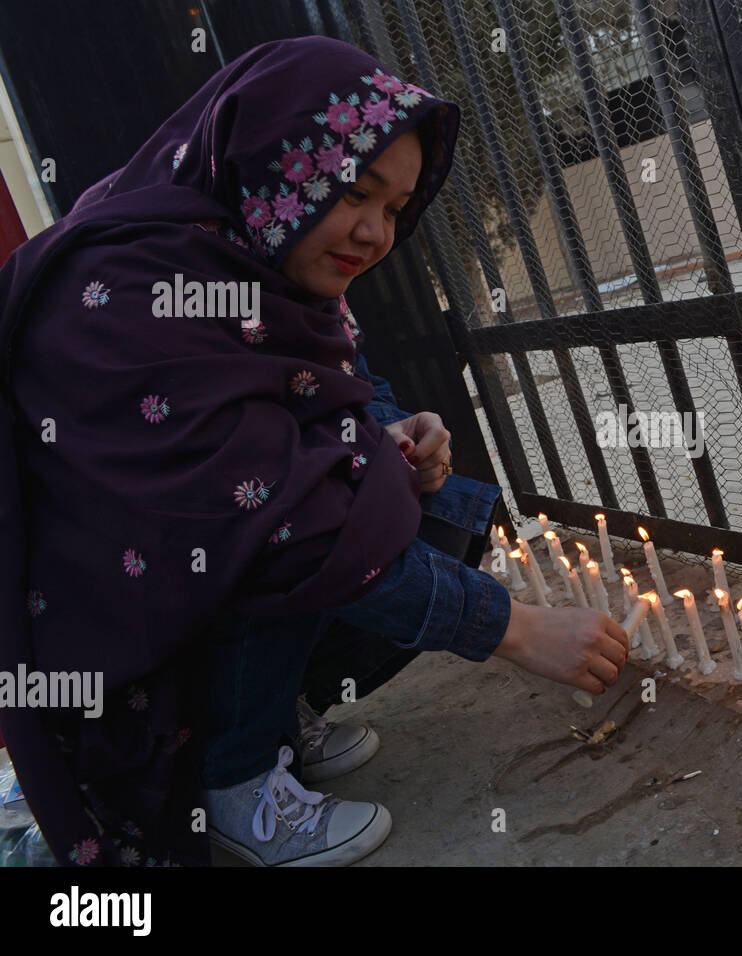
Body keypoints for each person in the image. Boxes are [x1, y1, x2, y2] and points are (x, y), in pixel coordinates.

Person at [0, 35, 628, 868]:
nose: (373, 233)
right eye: (352, 192)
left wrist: (396, 431)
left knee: (385, 488)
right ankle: (230, 781)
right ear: (274, 162)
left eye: (396, 208)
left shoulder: (255, 252)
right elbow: (285, 521)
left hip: (172, 580)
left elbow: (330, 390)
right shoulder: (139, 291)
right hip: (101, 646)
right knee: (307, 523)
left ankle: (261, 716)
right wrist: (517, 629)